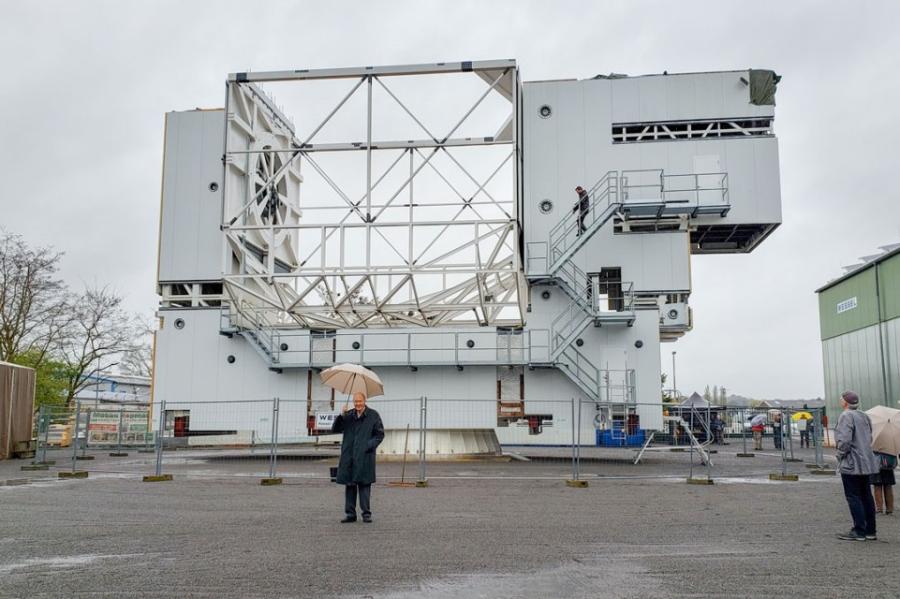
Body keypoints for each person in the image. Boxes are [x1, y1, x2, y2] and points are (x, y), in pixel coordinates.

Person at [331, 392, 385, 523]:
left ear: (364, 401)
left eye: (360, 401)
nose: (358, 404)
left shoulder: (373, 415)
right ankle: (350, 514)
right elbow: (335, 429)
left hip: (365, 456)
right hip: (349, 455)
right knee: (350, 485)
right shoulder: (348, 415)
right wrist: (341, 416)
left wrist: (367, 446)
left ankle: (366, 514)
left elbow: (379, 435)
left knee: (364, 485)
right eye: (355, 401)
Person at [835, 391, 880, 541]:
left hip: (851, 463)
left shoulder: (846, 416)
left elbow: (844, 440)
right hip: (866, 462)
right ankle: (870, 530)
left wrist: (840, 454)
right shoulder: (864, 415)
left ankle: (859, 530)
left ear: (845, 402)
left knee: (853, 496)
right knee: (866, 495)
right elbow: (870, 436)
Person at [871, 451, 897, 515]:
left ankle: (879, 509)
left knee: (877, 486)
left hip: (877, 463)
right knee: (888, 486)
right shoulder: (891, 441)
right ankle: (889, 509)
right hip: (888, 463)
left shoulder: (875, 441)